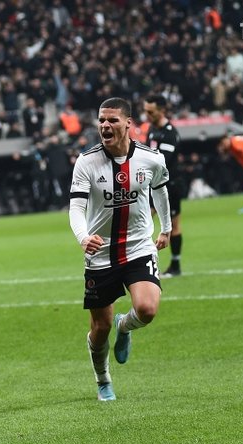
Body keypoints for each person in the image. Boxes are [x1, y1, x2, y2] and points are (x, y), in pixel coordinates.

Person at [68, 97, 172, 402]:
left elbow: (161, 191)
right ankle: (103, 379)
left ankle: (124, 327)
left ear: (129, 124)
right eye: (101, 120)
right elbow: (76, 208)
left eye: (112, 120)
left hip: (139, 245)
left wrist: (165, 228)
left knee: (147, 310)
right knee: (99, 329)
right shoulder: (86, 162)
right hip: (100, 253)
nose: (105, 125)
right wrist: (83, 237)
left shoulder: (151, 159)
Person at [143, 94, 182, 277]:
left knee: (173, 224)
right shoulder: (151, 129)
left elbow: (163, 162)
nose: (147, 115)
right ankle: (145, 263)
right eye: (145, 111)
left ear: (162, 110)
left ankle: (175, 264)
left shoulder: (170, 133)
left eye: (150, 112)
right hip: (151, 185)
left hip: (169, 185)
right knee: (143, 220)